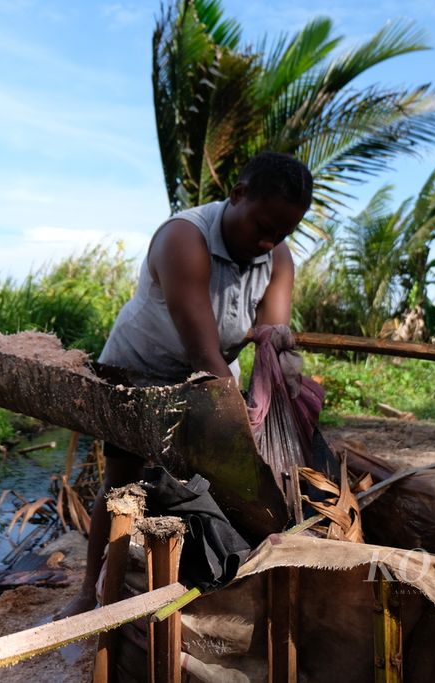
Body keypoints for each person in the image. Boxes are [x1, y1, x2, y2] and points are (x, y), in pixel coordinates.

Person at [57, 151, 313, 618]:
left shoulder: (276, 256)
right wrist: (235, 427)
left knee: (220, 487)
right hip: (137, 374)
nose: (266, 240)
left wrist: (282, 368)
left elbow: (271, 336)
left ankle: (213, 591)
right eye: (261, 226)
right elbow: (202, 350)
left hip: (212, 372)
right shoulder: (183, 238)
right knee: (121, 485)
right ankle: (90, 594)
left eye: (280, 233)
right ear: (236, 195)